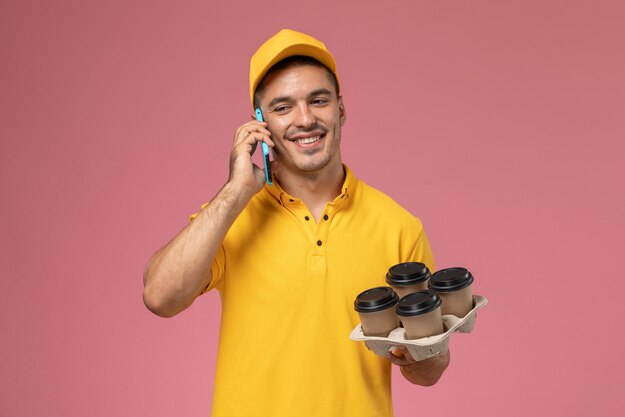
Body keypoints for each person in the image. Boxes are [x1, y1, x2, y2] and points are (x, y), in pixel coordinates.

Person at [143, 29, 449, 417]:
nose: (305, 119)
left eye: (318, 100)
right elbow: (159, 297)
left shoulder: (399, 226)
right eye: (283, 107)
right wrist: (236, 191)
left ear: (341, 109)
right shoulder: (232, 216)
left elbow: (429, 372)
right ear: (260, 123)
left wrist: (417, 352)